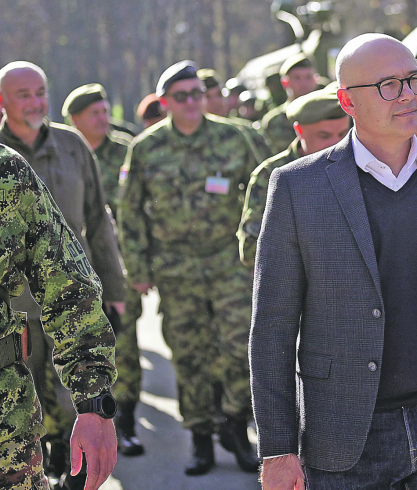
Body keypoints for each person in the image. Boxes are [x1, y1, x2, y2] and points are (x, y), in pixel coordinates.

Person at [250, 33, 417, 490]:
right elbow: (273, 324)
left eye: (414, 79)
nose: (409, 94)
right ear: (346, 101)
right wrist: (278, 448)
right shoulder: (298, 188)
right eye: (388, 85)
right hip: (346, 434)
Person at [117, 60, 261, 475]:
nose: (192, 102)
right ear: (165, 103)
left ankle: (234, 422)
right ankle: (201, 439)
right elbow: (130, 214)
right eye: (181, 97)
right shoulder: (146, 148)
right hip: (175, 268)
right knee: (189, 356)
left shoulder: (234, 138)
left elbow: (264, 187)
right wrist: (138, 268)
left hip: (228, 262)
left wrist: (257, 251)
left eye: (197, 94)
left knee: (240, 349)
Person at [0, 62, 127, 488]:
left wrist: (116, 288)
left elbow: (98, 221)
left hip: (55, 304)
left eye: (41, 92)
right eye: (24, 95)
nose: (36, 102)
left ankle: (62, 464)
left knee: (52, 392)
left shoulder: (20, 167)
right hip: (20, 310)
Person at [62, 83, 145, 457]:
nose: (103, 117)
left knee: (123, 347)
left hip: (118, 264)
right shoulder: (62, 153)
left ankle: (125, 423)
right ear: (75, 119)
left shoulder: (126, 149)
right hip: (74, 271)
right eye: (94, 113)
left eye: (105, 109)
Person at [238, 85, 351, 266]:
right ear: (299, 131)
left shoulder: (358, 166)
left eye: (342, 134)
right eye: (324, 135)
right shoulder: (271, 175)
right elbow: (251, 251)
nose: (335, 144)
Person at [200, 68, 273, 159]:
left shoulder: (246, 131)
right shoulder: (192, 138)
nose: (216, 102)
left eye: (219, 94)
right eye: (208, 97)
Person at [260, 53, 320, 152]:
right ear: (285, 82)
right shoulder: (273, 121)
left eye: (308, 77)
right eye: (297, 78)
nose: (303, 83)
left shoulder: (329, 115)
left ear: (315, 79)